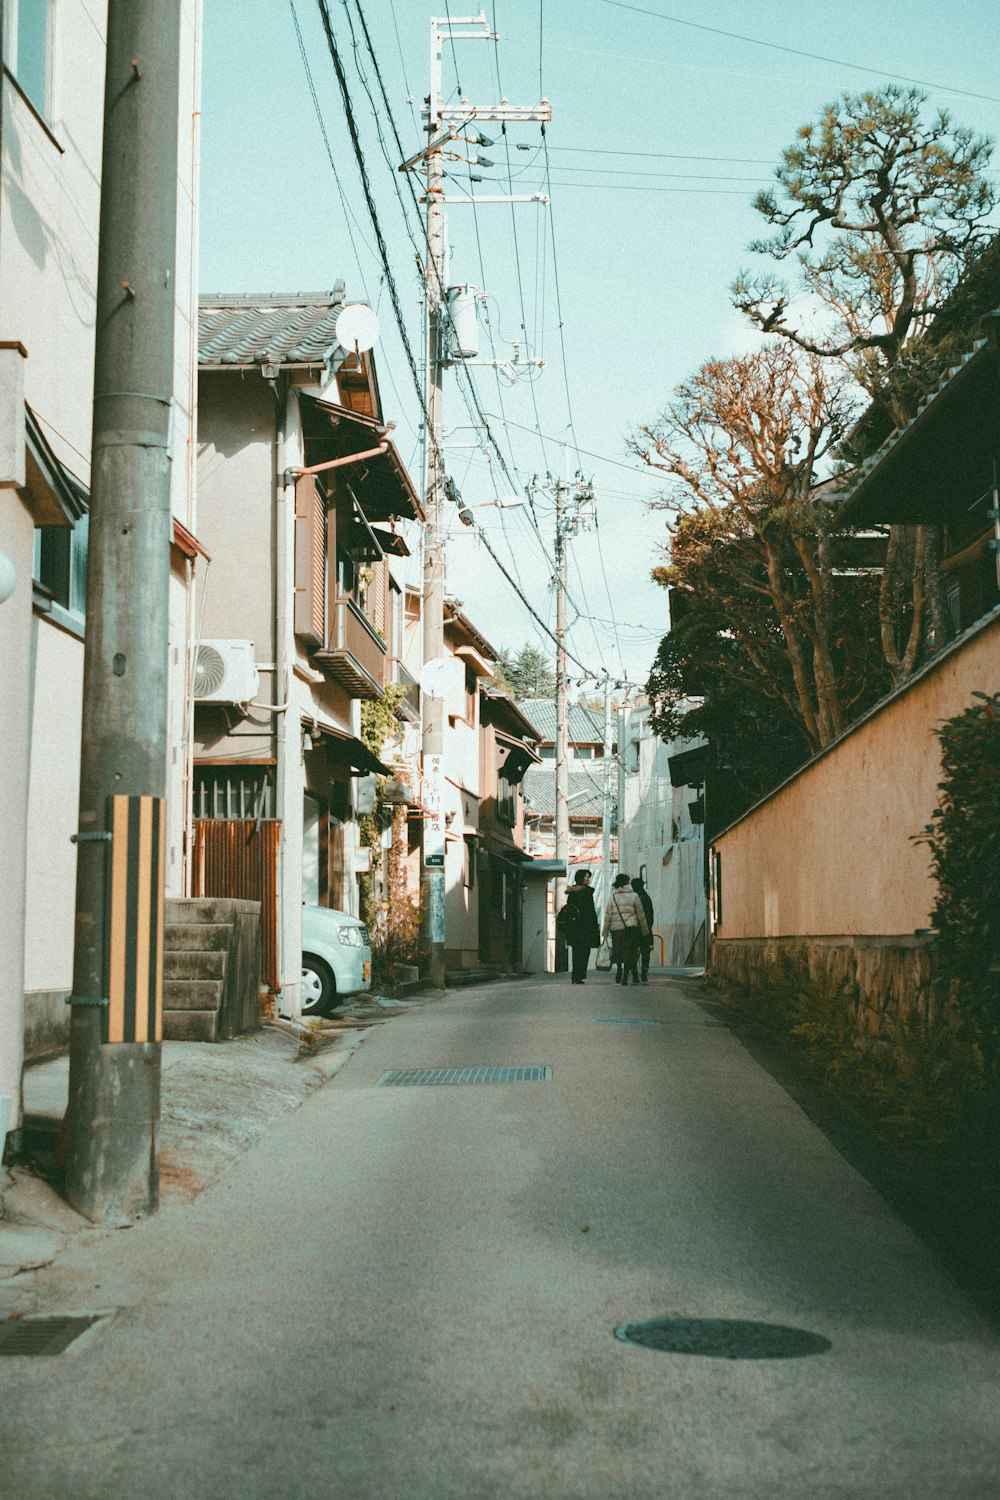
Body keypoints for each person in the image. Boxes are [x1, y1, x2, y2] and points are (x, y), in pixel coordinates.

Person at [600, 872, 650, 986]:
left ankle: (619, 969)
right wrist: (645, 930)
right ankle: (629, 974)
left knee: (619, 951)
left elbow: (608, 915)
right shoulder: (634, 896)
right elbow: (640, 914)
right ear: (627, 883)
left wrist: (605, 931)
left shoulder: (613, 896)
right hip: (631, 928)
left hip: (616, 930)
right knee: (631, 952)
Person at [556, 869, 601, 984]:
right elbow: (590, 912)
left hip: (574, 927)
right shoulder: (586, 893)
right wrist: (594, 928)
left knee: (576, 952)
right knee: (584, 952)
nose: (588, 879)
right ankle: (580, 975)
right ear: (582, 878)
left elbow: (570, 909)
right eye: (587, 877)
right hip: (585, 927)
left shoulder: (572, 893)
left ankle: (575, 975)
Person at [630, 876, 655, 984]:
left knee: (634, 952)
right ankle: (644, 971)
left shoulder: (633, 898)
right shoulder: (646, 897)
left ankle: (634, 972)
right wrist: (648, 927)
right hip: (646, 929)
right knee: (646, 952)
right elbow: (650, 915)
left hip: (634, 929)